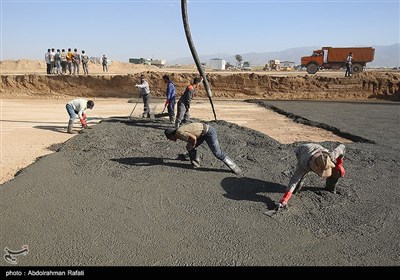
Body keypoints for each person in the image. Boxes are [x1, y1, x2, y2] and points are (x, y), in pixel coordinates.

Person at [275, 143, 346, 210]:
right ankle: (300, 183)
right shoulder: (303, 165)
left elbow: (342, 147)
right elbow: (294, 181)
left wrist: (339, 163)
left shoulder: (329, 156)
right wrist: (285, 199)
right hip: (302, 151)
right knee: (297, 185)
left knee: (338, 171)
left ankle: (330, 187)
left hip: (318, 151)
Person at [164, 122, 242, 175]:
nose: (170, 140)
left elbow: (194, 138)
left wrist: (192, 145)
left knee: (218, 153)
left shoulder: (179, 133)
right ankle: (190, 158)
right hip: (202, 132)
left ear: (171, 135)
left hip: (209, 132)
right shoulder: (178, 132)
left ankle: (234, 167)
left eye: (169, 138)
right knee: (190, 146)